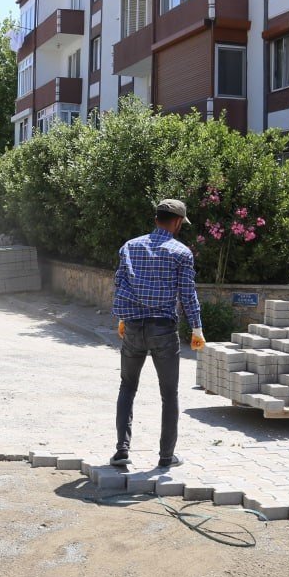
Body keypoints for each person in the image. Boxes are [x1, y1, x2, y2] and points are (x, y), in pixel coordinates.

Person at [110, 198, 205, 469]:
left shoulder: (130, 247)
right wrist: (196, 328)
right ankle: (166, 457)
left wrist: (122, 319)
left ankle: (122, 451)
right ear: (177, 222)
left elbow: (119, 283)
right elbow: (188, 295)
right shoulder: (181, 253)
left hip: (133, 326)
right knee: (169, 394)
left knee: (127, 387)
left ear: (156, 219)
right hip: (163, 329)